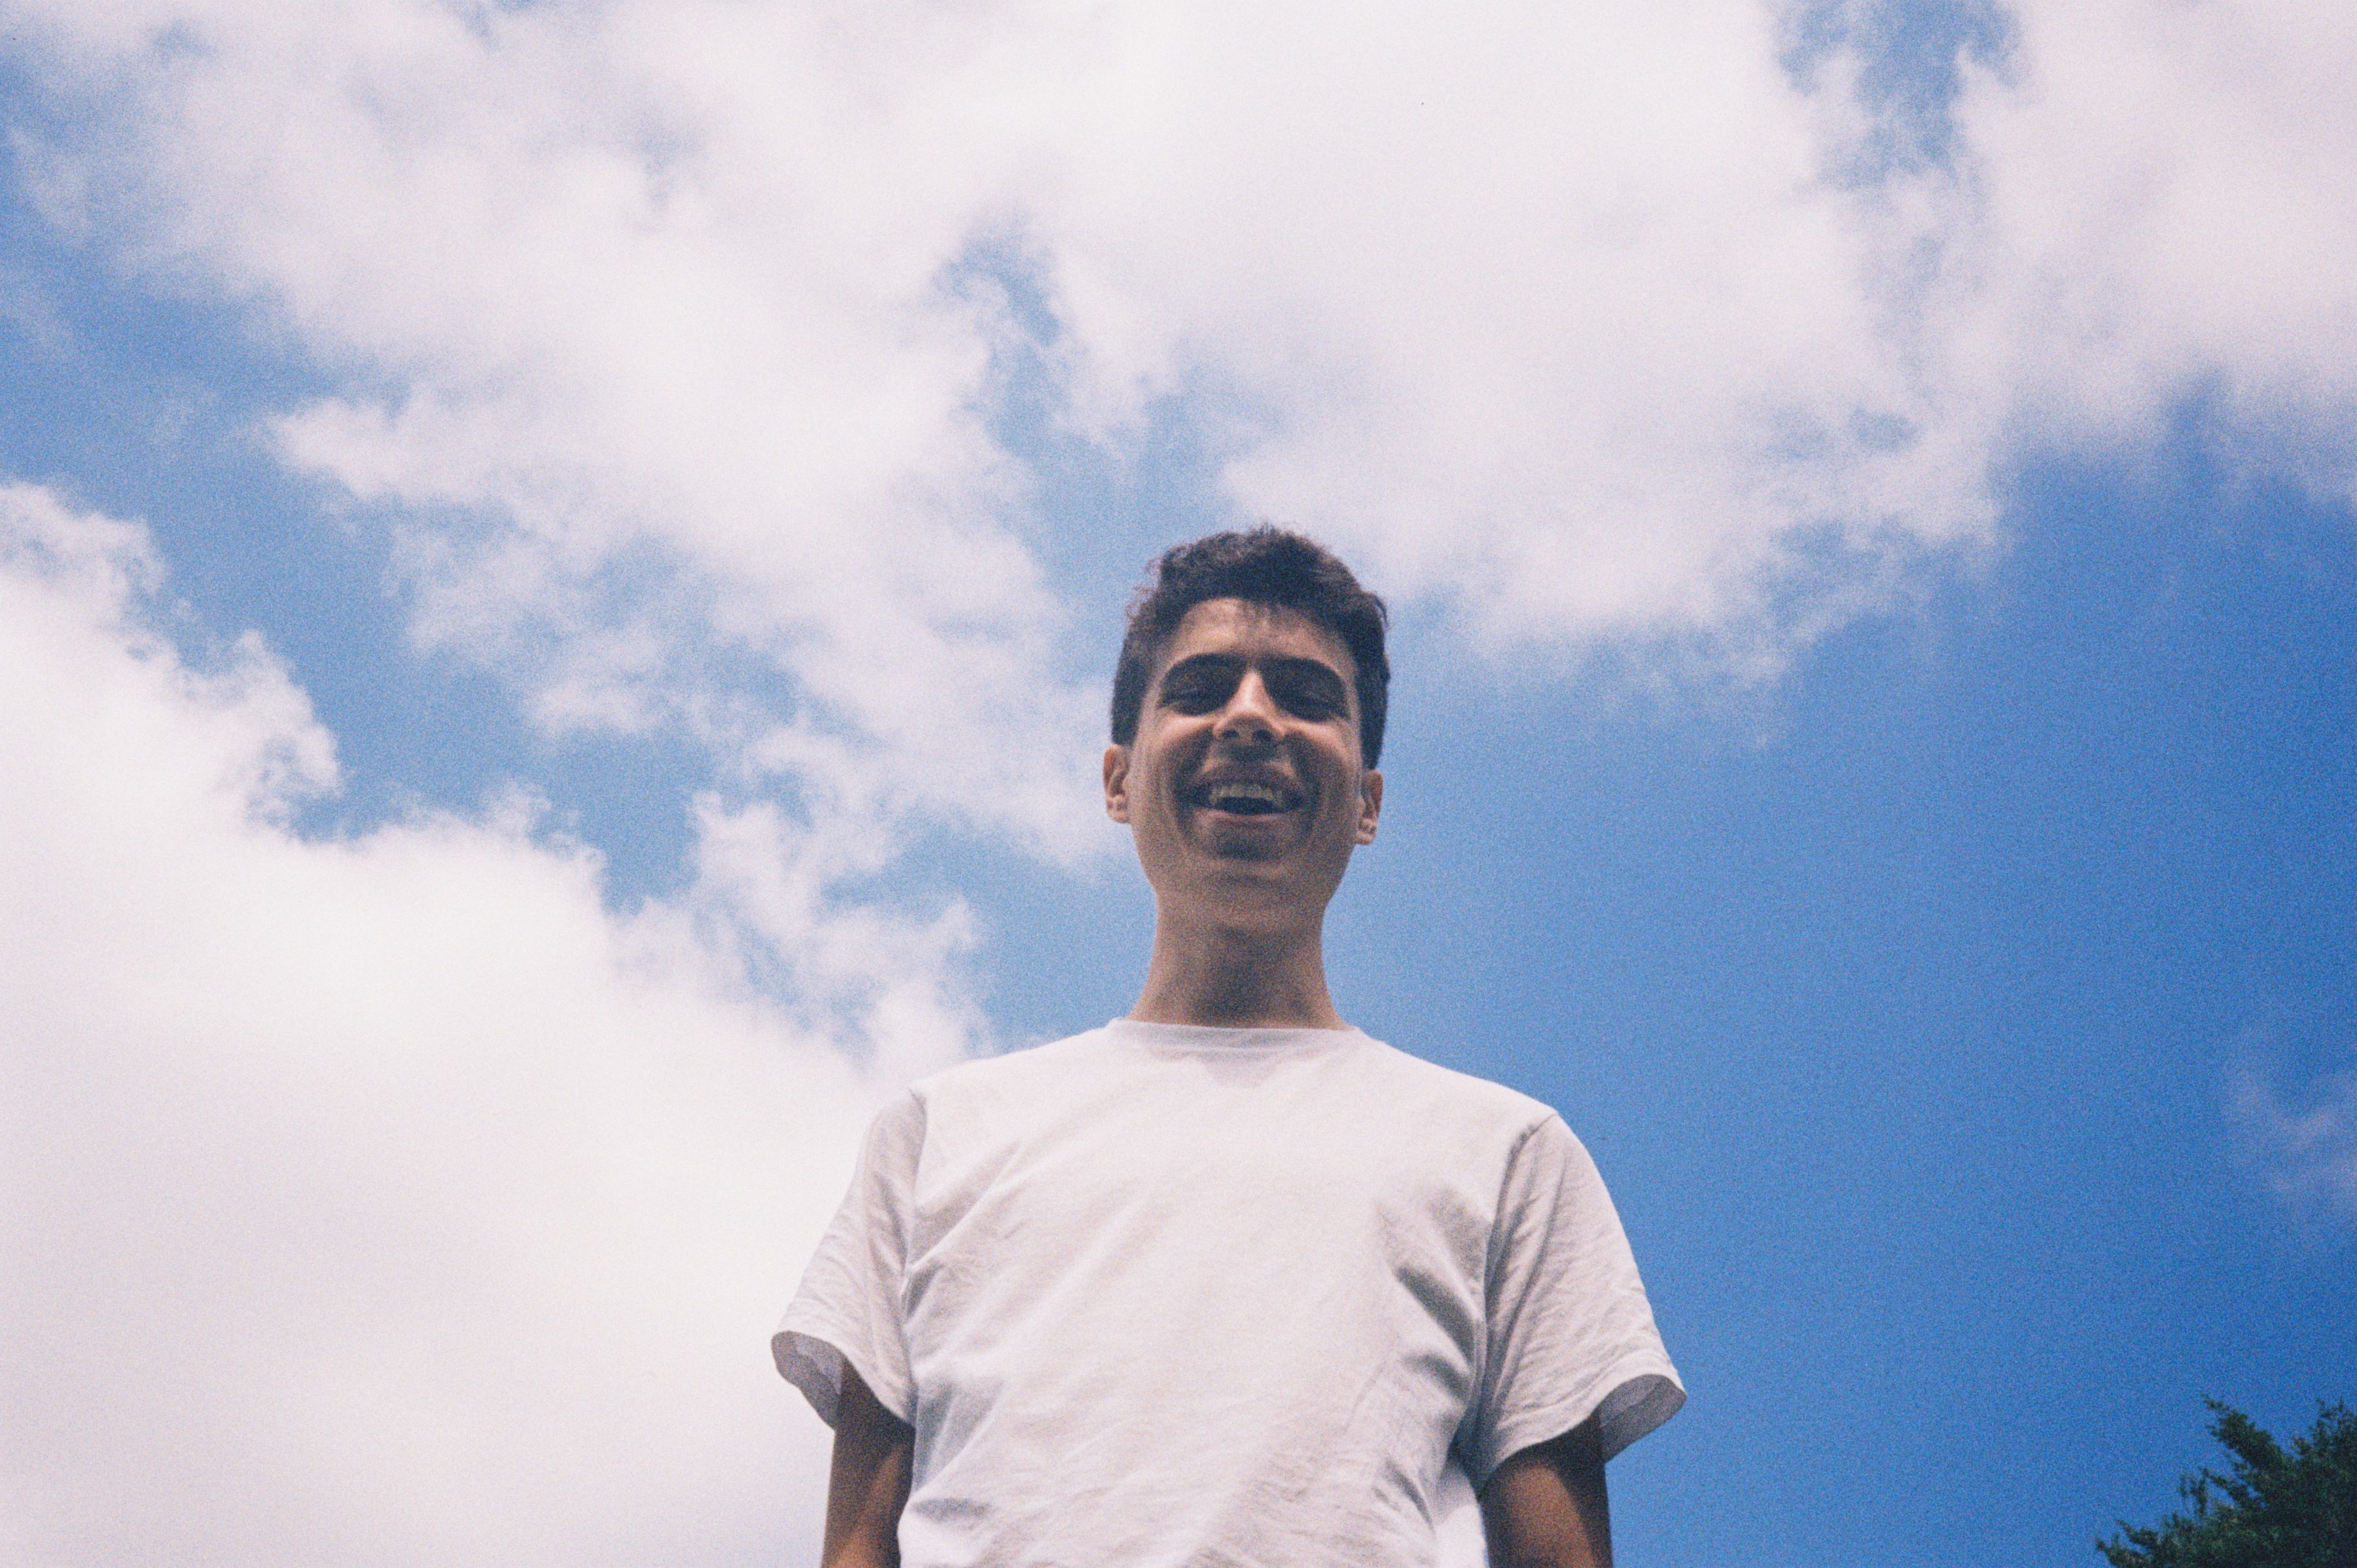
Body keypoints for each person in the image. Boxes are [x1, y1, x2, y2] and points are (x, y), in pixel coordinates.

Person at [775, 528, 1683, 1567]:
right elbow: (856, 1547)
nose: (1250, 716)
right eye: (1200, 688)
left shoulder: (1506, 1153)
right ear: (1118, 782)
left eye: (1306, 696)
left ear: (1368, 803)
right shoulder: (936, 1132)